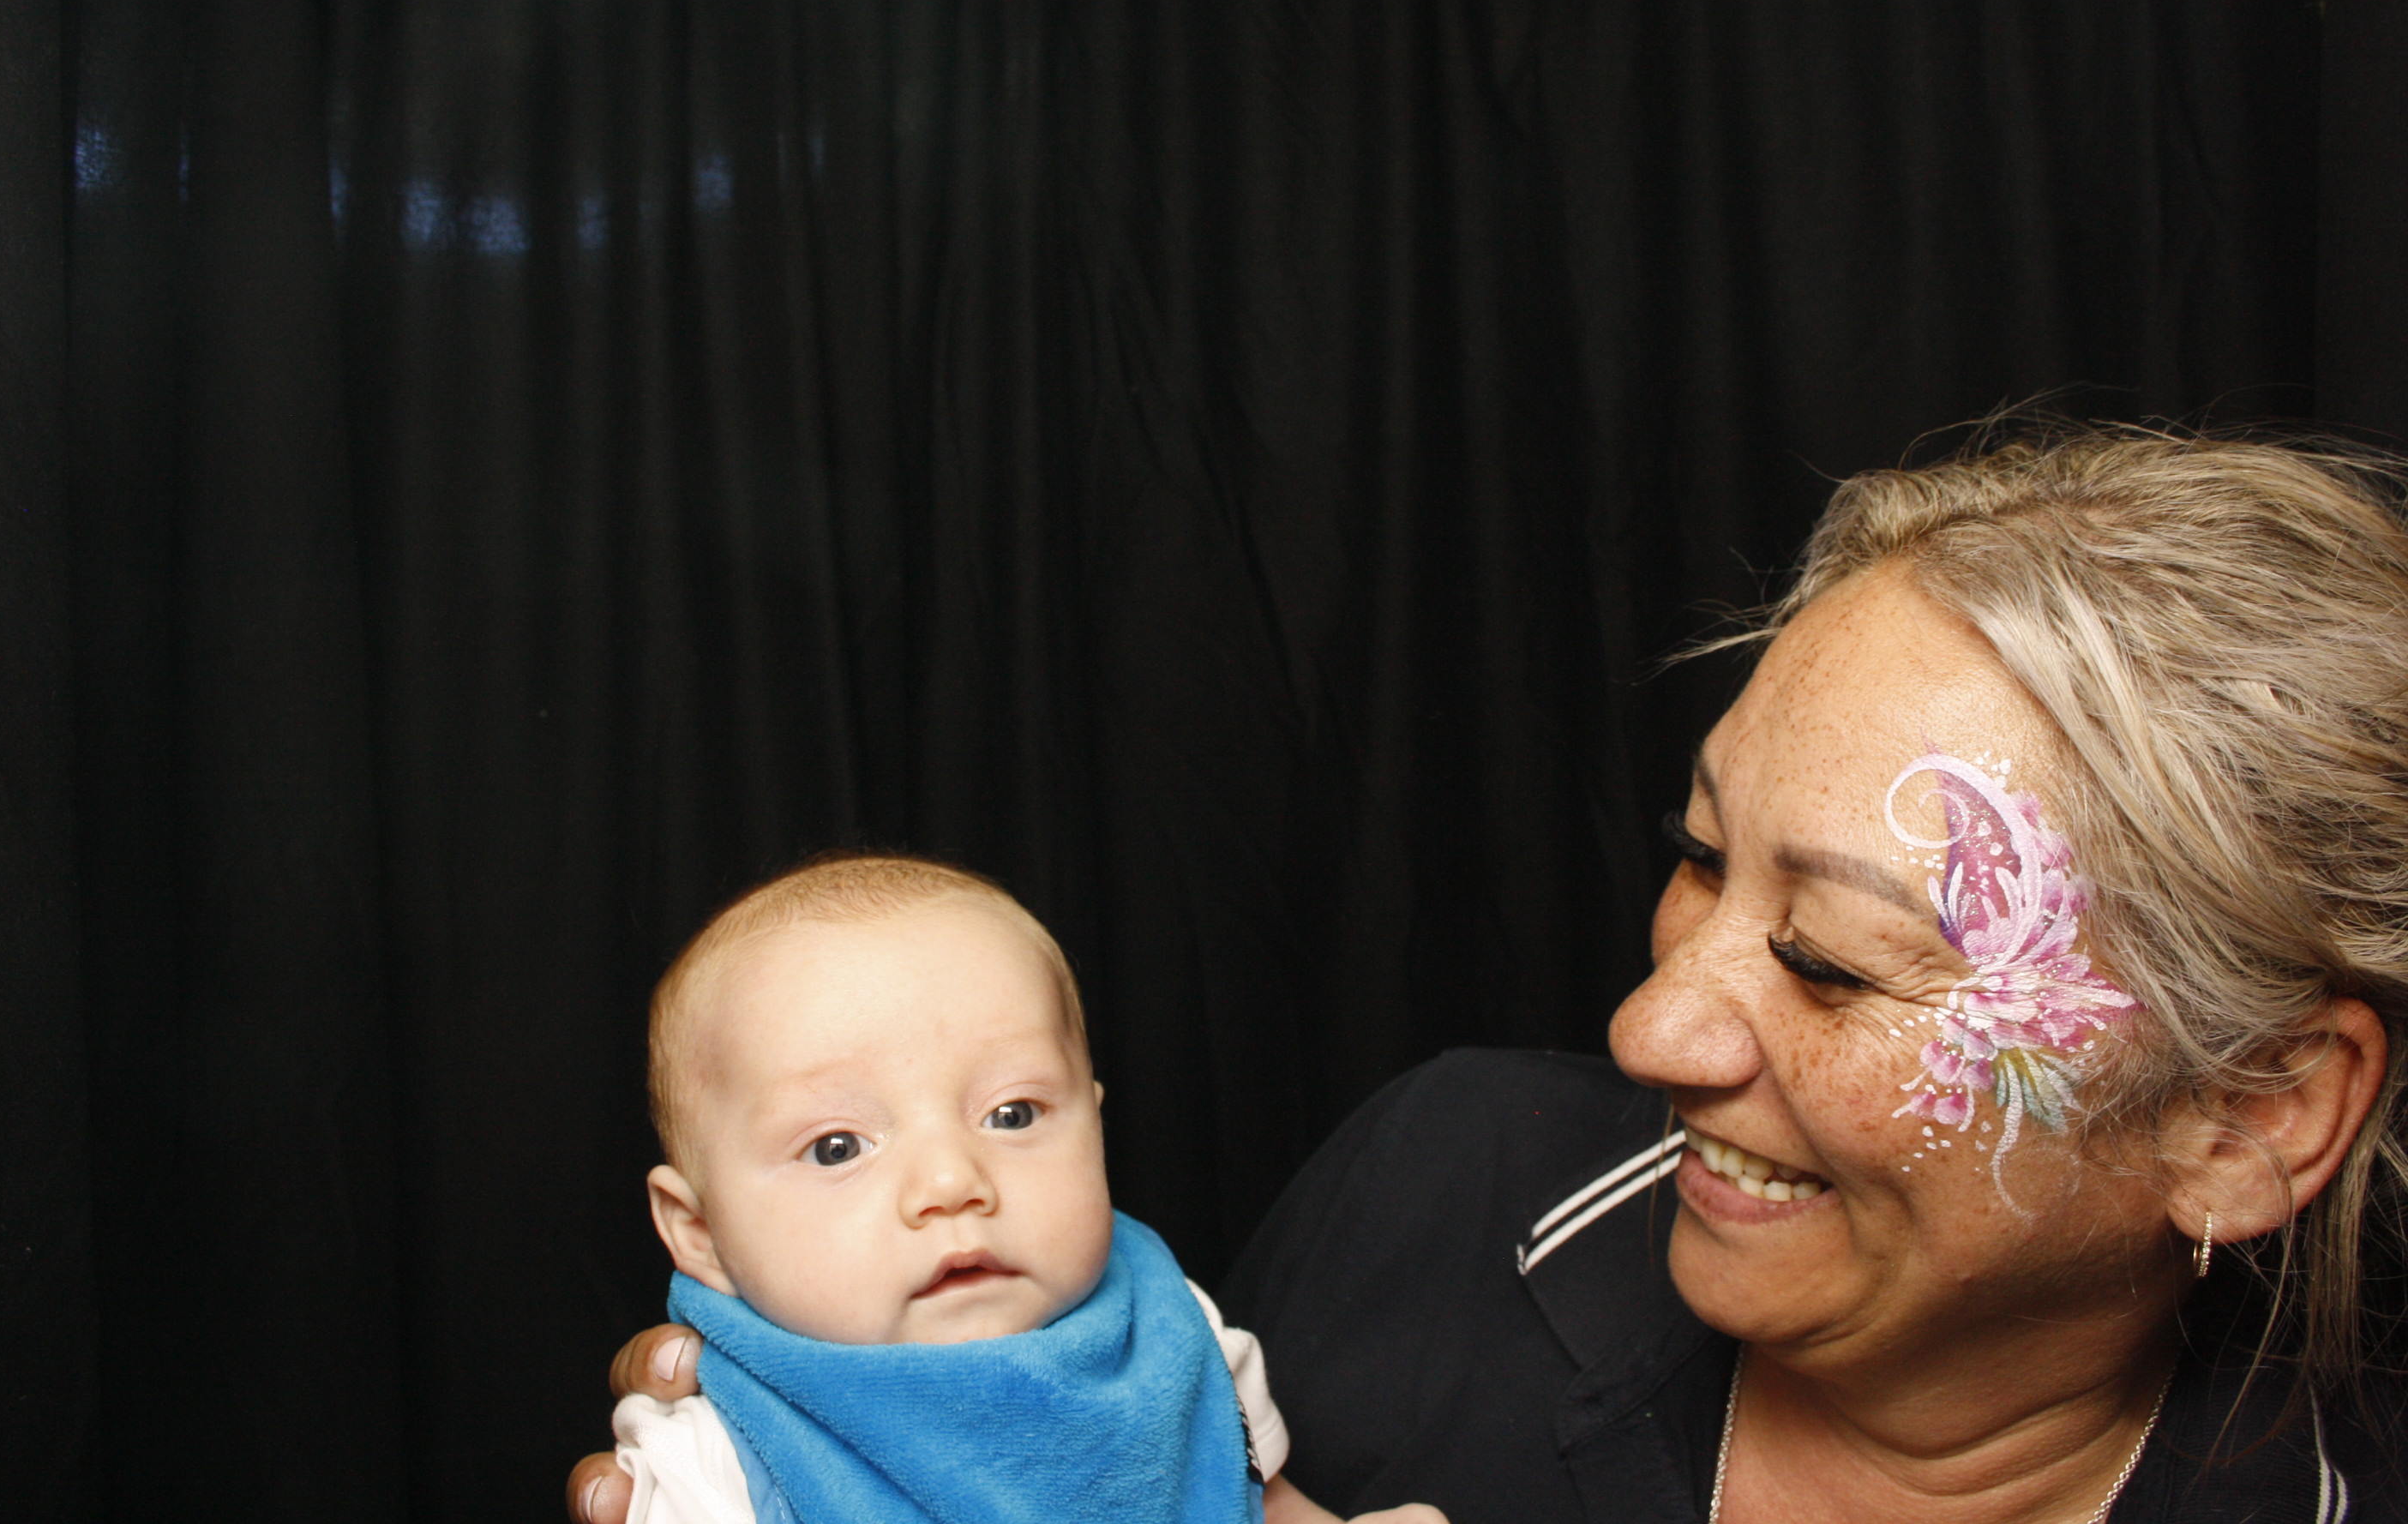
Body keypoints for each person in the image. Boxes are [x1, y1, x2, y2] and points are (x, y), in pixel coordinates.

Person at [576, 429, 2408, 1523]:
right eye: (1698, 857)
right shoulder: (1437, 1187)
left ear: (2250, 1119)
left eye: (1839, 964)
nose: (1652, 1023)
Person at [607, 850, 1444, 1524]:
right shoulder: (710, 1459)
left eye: (1011, 1113)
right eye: (835, 1146)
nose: (949, 1181)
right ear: (698, 1231)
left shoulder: (1174, 1334)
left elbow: (1257, 1499)